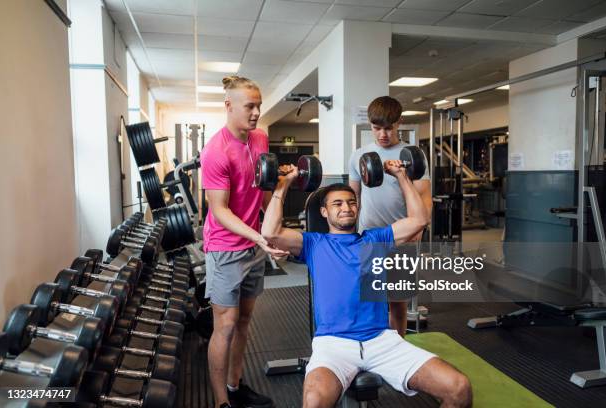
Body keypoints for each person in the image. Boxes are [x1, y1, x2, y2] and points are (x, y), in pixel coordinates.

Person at [261, 163, 471, 408]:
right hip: (333, 345)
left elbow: (420, 219)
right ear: (324, 212)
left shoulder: (376, 239)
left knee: (459, 388)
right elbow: (270, 232)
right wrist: (283, 184)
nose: (346, 208)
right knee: (314, 401)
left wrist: (402, 175)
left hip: (381, 341)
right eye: (337, 204)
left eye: (351, 202)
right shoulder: (313, 243)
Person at [200, 76, 285, 408]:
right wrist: (260, 237)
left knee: (246, 320)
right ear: (229, 106)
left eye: (258, 105)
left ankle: (236, 386)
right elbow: (219, 210)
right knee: (226, 325)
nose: (256, 112)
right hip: (224, 249)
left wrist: (279, 197)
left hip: (253, 246)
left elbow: (262, 192)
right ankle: (221, 402)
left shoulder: (260, 139)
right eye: (249, 106)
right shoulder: (215, 151)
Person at [349, 96, 433, 336]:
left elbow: (424, 197)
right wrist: (349, 235)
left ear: (399, 123)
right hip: (369, 236)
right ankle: (372, 348)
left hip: (402, 236)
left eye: (388, 128)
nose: (382, 134)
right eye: (377, 128)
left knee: (398, 301)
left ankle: (400, 347)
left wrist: (418, 230)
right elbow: (353, 197)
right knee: (370, 299)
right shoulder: (358, 156)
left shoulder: (413, 155)